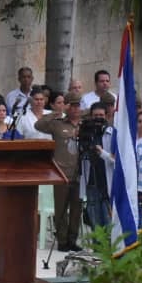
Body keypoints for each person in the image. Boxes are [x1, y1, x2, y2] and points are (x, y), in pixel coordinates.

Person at [36, 93, 84, 251]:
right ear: (67, 106)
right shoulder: (57, 124)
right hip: (62, 173)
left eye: (78, 105)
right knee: (61, 209)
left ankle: (73, 240)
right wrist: (55, 113)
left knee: (76, 210)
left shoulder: (85, 124)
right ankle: (62, 241)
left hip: (80, 173)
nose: (75, 108)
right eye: (72, 105)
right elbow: (39, 125)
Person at [78, 102, 114, 231]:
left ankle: (110, 250)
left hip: (107, 183)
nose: (98, 118)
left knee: (109, 221)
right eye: (95, 115)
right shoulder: (86, 133)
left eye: (101, 115)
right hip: (91, 183)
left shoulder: (112, 133)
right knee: (95, 224)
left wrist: (102, 153)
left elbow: (116, 160)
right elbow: (75, 153)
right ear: (90, 117)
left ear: (107, 116)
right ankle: (96, 249)